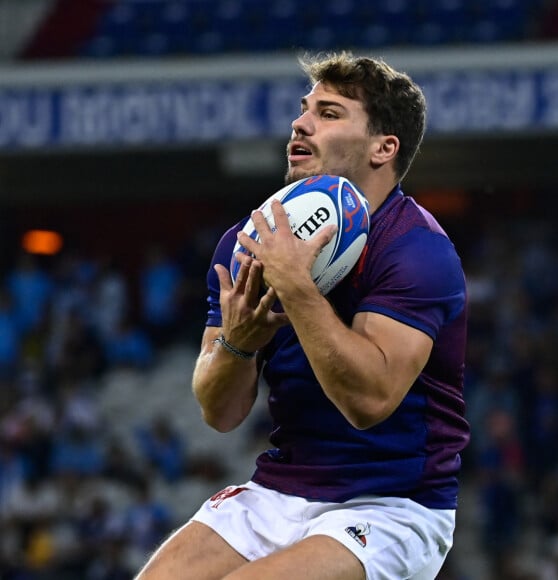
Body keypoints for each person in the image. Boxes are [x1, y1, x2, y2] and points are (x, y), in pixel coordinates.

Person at [136, 51, 470, 580]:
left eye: (330, 113)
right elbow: (218, 413)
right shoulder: (247, 242)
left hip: (393, 504)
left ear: (384, 148)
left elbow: (369, 402)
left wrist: (296, 287)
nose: (301, 122)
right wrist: (239, 345)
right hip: (280, 488)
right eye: (305, 109)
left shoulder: (417, 250)